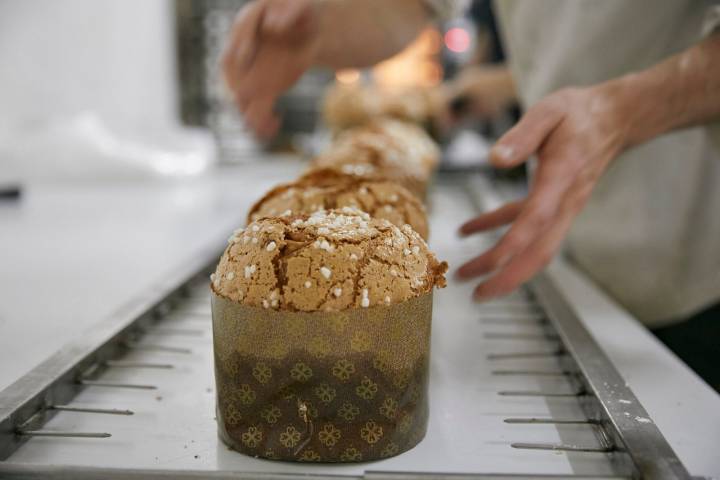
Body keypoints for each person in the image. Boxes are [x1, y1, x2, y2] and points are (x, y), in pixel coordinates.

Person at [223, 0, 720, 390]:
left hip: (695, 254)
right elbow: (402, 7)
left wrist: (621, 112)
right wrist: (320, 25)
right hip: (572, 246)